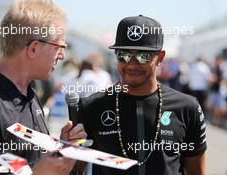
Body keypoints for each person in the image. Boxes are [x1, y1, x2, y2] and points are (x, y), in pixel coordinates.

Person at [0, 0, 86, 174]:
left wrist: (61, 150)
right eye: (59, 46)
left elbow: (31, 161)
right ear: (34, 49)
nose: (62, 55)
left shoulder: (29, 95)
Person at [79, 15, 207, 175]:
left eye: (143, 56)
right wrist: (65, 146)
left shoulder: (187, 107)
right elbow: (73, 170)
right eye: (123, 55)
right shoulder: (91, 106)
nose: (132, 64)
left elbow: (196, 171)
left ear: (160, 58)